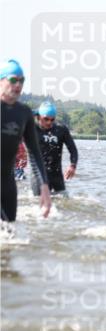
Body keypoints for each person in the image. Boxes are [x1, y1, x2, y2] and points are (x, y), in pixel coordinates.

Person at [1, 59, 50, 226]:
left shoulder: (24, 113)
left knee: (9, 236)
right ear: (1, 81)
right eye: (13, 79)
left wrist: (44, 186)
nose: (18, 85)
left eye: (22, 80)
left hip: (7, 187)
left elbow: (35, 152)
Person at [31, 100, 78, 196]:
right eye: (46, 119)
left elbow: (73, 150)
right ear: (39, 117)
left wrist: (73, 166)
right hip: (38, 176)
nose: (49, 122)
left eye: (52, 119)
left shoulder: (61, 130)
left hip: (56, 176)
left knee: (63, 204)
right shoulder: (32, 129)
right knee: (37, 205)